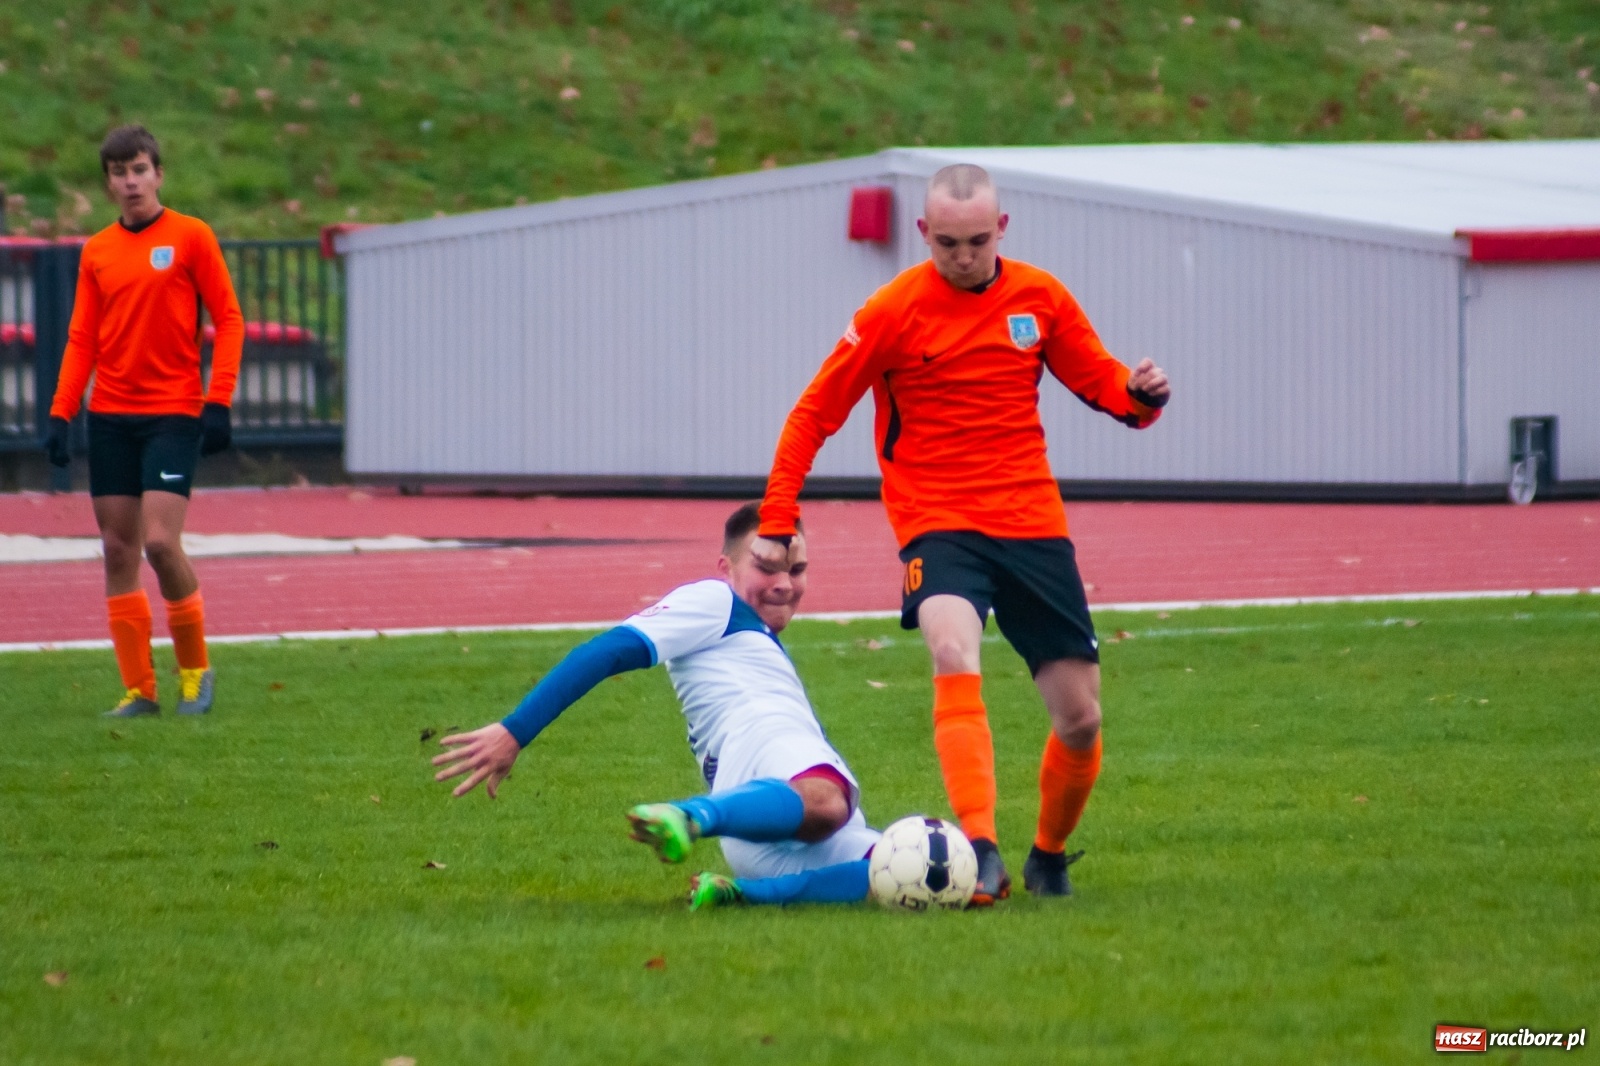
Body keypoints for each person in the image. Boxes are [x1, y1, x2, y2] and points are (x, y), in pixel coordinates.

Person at [754, 163, 1171, 904]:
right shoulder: (892, 310)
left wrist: (1141, 398)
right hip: (938, 521)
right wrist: (778, 519)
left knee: (1081, 717)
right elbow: (812, 414)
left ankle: (1047, 855)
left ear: (1001, 230)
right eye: (947, 243)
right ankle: (980, 848)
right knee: (952, 646)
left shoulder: (1039, 299)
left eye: (977, 241)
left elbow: (1104, 384)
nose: (963, 256)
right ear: (923, 234)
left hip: (1033, 523)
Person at [432, 503, 882, 910]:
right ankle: (691, 817)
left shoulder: (749, 638)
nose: (784, 583)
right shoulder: (716, 600)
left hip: (762, 835)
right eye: (766, 567)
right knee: (827, 800)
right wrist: (515, 731)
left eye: (797, 569)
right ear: (726, 568)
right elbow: (608, 651)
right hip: (766, 753)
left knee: (923, 871)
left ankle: (736, 894)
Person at [45, 125, 243, 717]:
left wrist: (220, 400)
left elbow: (229, 319)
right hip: (110, 415)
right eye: (118, 172)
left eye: (139, 169)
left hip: (173, 413)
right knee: (116, 548)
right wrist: (62, 410)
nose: (129, 181)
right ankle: (140, 690)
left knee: (159, 542)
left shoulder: (190, 237)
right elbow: (83, 336)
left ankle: (195, 675)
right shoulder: (98, 251)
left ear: (158, 173)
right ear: (107, 183)